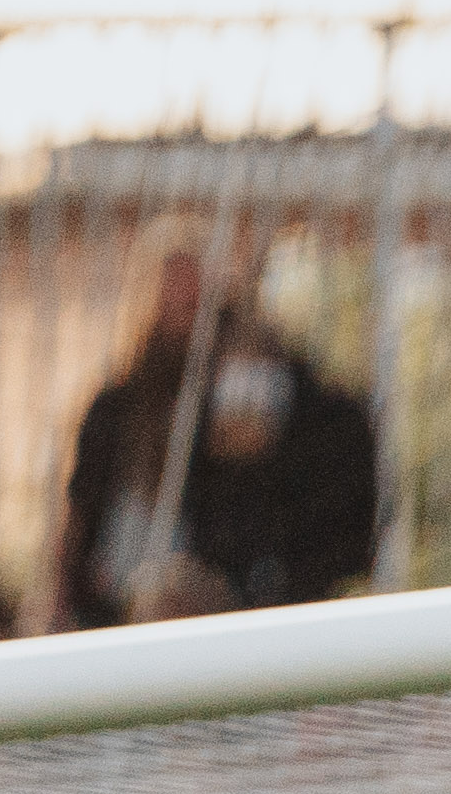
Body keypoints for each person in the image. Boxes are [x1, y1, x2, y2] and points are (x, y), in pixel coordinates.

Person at [54, 249, 380, 626]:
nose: (183, 320)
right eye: (172, 302)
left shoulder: (267, 395)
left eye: (194, 304)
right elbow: (81, 514)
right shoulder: (118, 408)